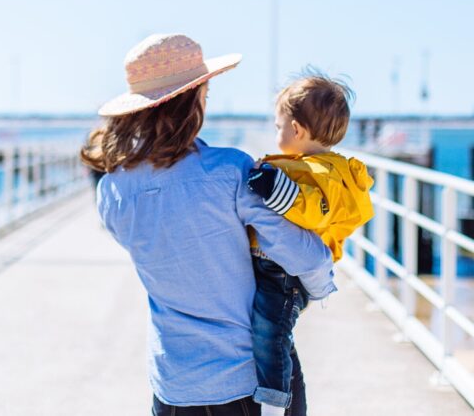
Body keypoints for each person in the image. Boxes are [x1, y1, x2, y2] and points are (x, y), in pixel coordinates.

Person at [82, 34, 335, 416]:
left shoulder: (112, 192)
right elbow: (305, 256)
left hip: (173, 384)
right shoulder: (229, 170)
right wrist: (313, 292)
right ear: (191, 99)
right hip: (248, 381)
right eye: (205, 91)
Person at [245, 73, 375, 414]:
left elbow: (311, 209)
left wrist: (272, 187)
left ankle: (273, 406)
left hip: (284, 275)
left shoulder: (322, 174)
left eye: (278, 126)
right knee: (273, 337)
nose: (277, 134)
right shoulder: (309, 166)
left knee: (269, 335)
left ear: (297, 130)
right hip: (275, 267)